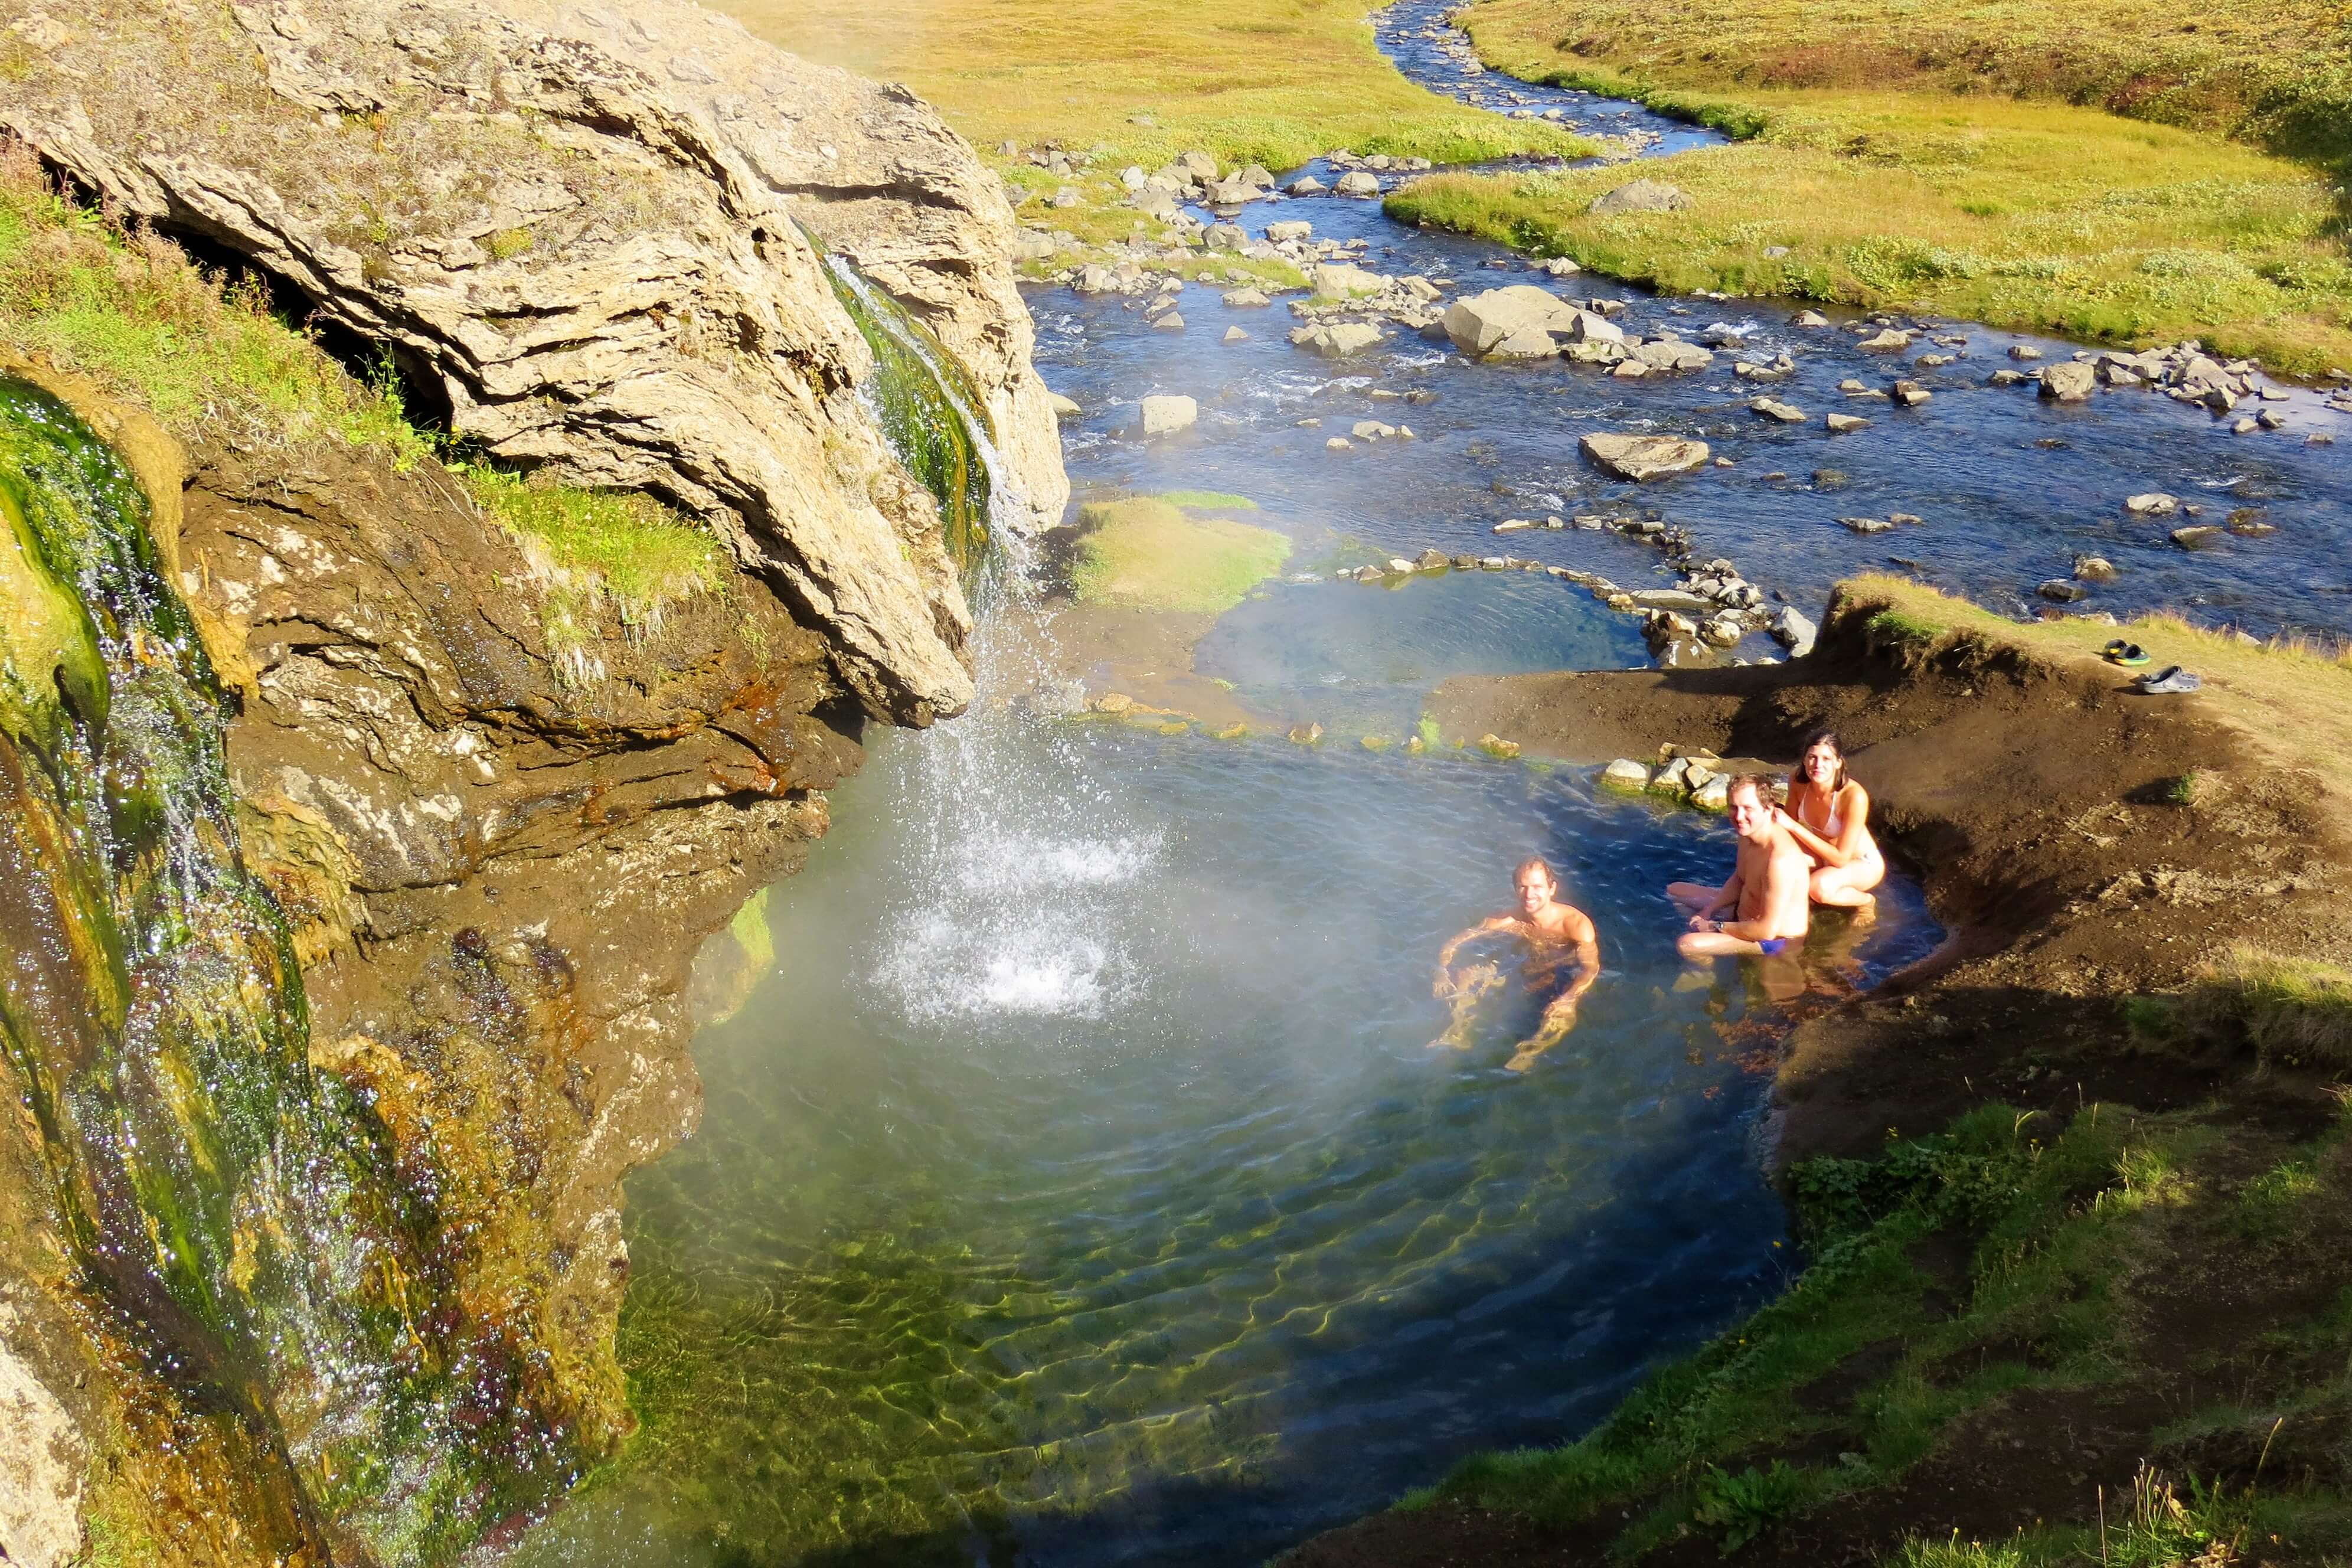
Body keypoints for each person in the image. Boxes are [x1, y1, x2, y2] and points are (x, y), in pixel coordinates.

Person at [1433, 857, 1601, 1071]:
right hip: (1521, 964)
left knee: (1561, 1013)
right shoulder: (1509, 920)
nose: (1529, 894)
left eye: (1537, 887)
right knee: (1466, 975)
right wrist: (1441, 970)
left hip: (1558, 972)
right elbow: (1455, 942)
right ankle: (1457, 1031)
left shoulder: (1575, 925)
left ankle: (1529, 1053)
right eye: (1523, 887)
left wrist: (1569, 998)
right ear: (1515, 890)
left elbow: (1591, 968)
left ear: (1552, 888)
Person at [1667, 776, 1812, 959]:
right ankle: (1711, 952)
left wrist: (1714, 926)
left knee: (1687, 945)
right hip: (1743, 916)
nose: (1739, 817)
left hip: (1775, 941)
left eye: (1748, 808)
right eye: (1734, 807)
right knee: (1675, 891)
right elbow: (1740, 878)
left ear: (1768, 808)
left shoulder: (1780, 860)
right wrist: (1709, 910)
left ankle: (1706, 969)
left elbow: (1766, 930)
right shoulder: (1748, 834)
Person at [1775, 729, 1884, 909]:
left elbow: (1841, 859)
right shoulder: (1798, 780)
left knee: (1818, 888)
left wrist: (1795, 827)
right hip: (1822, 855)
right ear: (1804, 760)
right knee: (1777, 859)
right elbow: (1787, 823)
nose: (1818, 765)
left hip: (1860, 864)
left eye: (1826, 759)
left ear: (1838, 763)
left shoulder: (1853, 796)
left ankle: (1866, 902)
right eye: (1812, 757)